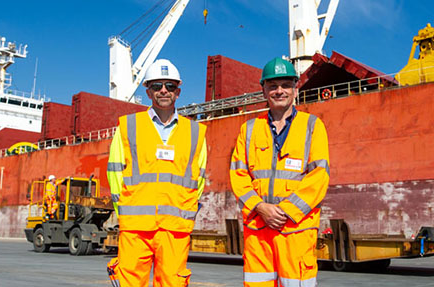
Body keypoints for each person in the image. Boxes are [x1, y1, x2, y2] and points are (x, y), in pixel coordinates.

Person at [107, 59, 208, 287]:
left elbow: (198, 180)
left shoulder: (195, 132)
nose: (163, 90)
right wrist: (123, 212)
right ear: (148, 90)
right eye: (157, 86)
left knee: (172, 283)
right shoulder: (127, 126)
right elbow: (114, 174)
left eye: (169, 86)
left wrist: (187, 212)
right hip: (135, 227)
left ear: (178, 91)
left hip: (175, 228)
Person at [230, 57, 330, 287]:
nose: (279, 91)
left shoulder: (312, 126)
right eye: (273, 86)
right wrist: (261, 208)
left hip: (296, 230)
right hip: (258, 229)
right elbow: (238, 174)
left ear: (295, 88)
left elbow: (319, 177)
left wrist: (285, 212)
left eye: (285, 85)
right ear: (263, 90)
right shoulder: (249, 130)